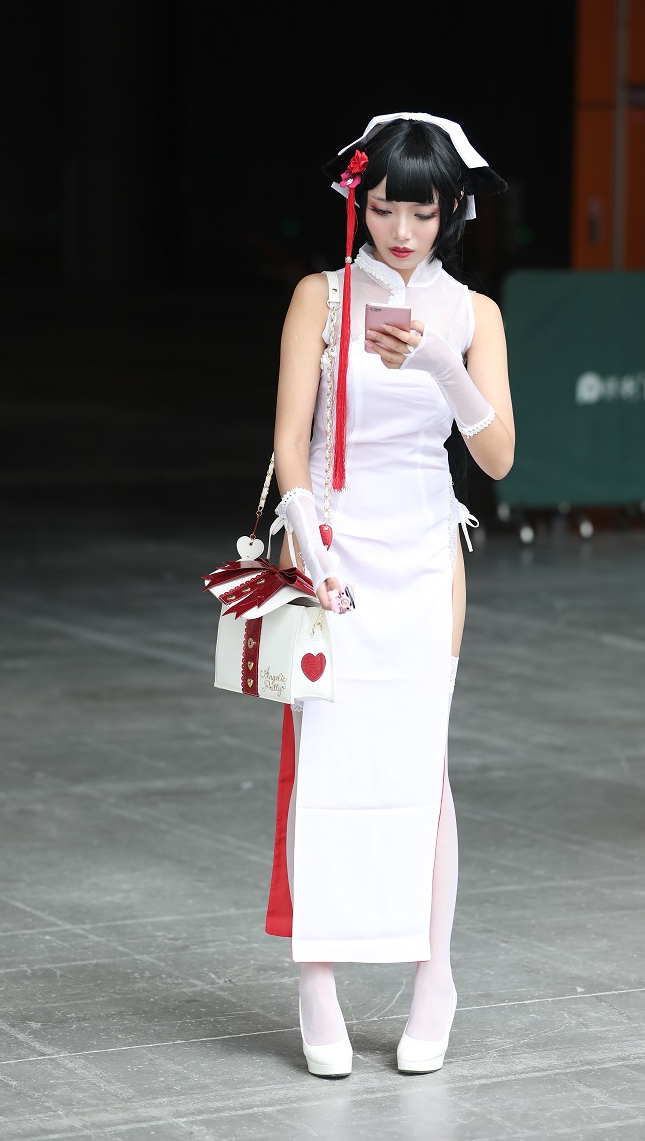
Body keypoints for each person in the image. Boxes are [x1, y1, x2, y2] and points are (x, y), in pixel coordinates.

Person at [266, 111, 515, 1077]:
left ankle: (434, 978)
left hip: (424, 557)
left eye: (421, 211)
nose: (401, 231)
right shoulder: (320, 297)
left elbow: (498, 457)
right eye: (382, 208)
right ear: (357, 203)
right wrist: (308, 538)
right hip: (333, 549)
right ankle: (317, 984)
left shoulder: (473, 314)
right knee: (323, 768)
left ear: (451, 211)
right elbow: (290, 442)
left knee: (423, 771)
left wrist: (444, 363)